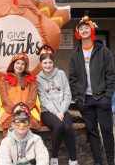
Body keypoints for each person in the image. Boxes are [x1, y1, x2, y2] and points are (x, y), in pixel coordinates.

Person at [69, 15, 115, 165]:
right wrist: (77, 98)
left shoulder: (103, 51)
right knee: (93, 132)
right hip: (85, 100)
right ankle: (98, 161)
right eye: (81, 28)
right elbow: (73, 78)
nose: (84, 30)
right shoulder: (75, 54)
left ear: (92, 30)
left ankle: (110, 160)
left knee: (107, 131)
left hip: (102, 97)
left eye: (86, 27)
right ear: (78, 33)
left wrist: (108, 96)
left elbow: (111, 75)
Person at [37, 45, 78, 165]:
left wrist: (61, 111)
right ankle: (54, 158)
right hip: (47, 112)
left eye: (50, 62)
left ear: (53, 62)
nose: (48, 65)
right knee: (59, 126)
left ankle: (73, 160)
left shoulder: (61, 74)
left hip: (63, 110)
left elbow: (67, 94)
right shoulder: (38, 79)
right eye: (45, 63)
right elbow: (43, 99)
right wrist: (56, 112)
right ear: (41, 64)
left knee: (67, 127)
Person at [0, 52, 41, 136]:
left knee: (27, 125)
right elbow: (5, 98)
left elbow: (32, 98)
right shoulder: (4, 80)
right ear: (13, 64)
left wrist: (24, 110)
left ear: (25, 66)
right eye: (17, 63)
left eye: (23, 64)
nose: (19, 66)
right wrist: (15, 110)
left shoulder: (32, 80)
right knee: (12, 128)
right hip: (9, 111)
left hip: (27, 111)